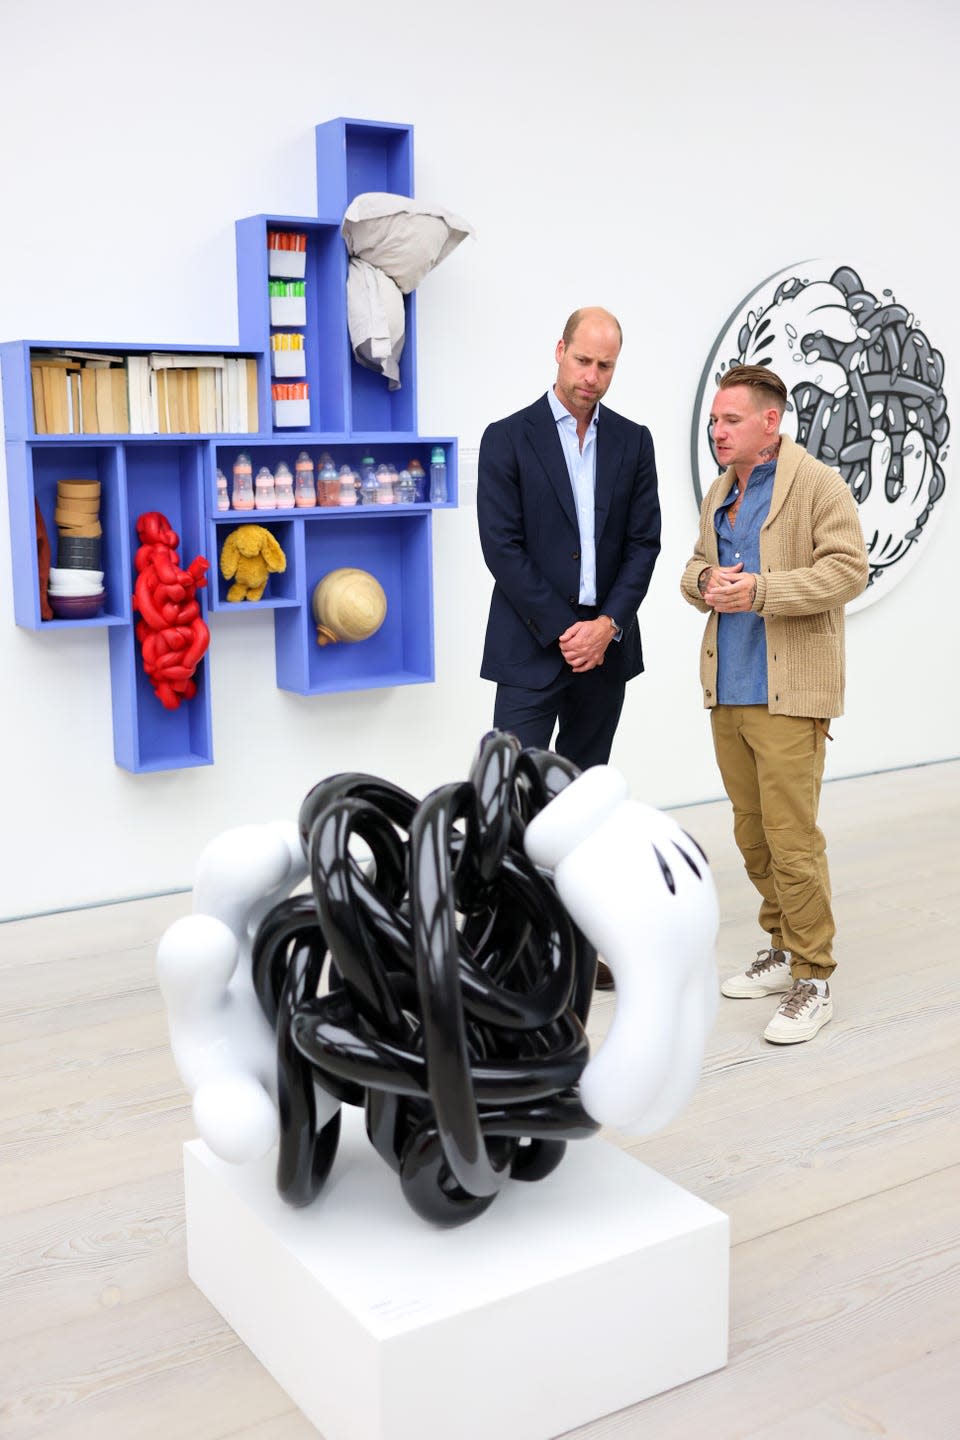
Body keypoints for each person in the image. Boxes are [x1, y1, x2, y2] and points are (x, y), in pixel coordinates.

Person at [681, 364, 868, 1043]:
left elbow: (848, 570)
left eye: (730, 420)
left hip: (789, 693)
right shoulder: (719, 491)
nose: (718, 431)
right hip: (728, 687)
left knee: (792, 840)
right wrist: (707, 581)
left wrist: (759, 591)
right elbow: (693, 568)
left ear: (770, 421)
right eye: (713, 421)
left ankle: (814, 976)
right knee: (752, 834)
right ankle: (782, 947)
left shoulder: (819, 483)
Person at [477, 306, 661, 770]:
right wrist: (567, 630)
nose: (592, 376)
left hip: (605, 651)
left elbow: (644, 543)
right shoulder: (506, 438)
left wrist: (606, 627)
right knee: (511, 786)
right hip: (530, 643)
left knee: (586, 793)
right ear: (560, 352)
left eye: (605, 366)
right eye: (583, 361)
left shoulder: (634, 441)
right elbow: (502, 547)